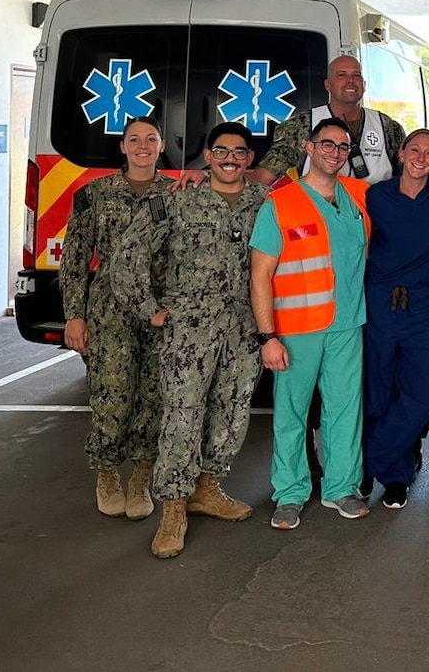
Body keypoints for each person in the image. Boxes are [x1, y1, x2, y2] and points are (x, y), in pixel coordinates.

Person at [114, 122, 269, 558]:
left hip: (243, 326)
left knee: (233, 410)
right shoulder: (179, 199)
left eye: (240, 153)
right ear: (207, 154)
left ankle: (208, 488)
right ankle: (173, 510)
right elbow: (128, 256)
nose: (230, 159)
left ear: (249, 159)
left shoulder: (264, 203)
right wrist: (151, 310)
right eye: (221, 151)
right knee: (182, 415)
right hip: (190, 329)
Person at [249, 117, 373, 531]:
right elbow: (260, 275)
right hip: (297, 329)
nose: (335, 152)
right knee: (291, 412)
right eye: (327, 144)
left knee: (344, 409)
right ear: (309, 146)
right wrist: (268, 336)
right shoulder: (280, 203)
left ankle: (341, 487)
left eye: (342, 146)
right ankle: (290, 493)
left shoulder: (359, 196)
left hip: (347, 323)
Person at [60, 116, 171, 521]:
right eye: (134, 139)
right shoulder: (95, 195)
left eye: (151, 139)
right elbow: (73, 261)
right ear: (122, 147)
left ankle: (142, 475)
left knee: (154, 393)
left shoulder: (176, 195)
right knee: (112, 391)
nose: (143, 145)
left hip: (160, 309)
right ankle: (106, 472)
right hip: (109, 309)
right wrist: (74, 316)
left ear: (161, 146)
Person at [360, 130, 429, 508]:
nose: (422, 157)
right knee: (378, 394)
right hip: (379, 303)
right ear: (401, 152)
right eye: (415, 150)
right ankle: (397, 476)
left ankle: (366, 461)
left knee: (424, 392)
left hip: (424, 306)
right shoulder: (377, 195)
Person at [255, 54, 407, 185]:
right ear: (328, 85)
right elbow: (264, 177)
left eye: (356, 75)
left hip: (373, 214)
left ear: (364, 85)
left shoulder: (387, 127)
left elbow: (409, 176)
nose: (350, 81)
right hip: (322, 213)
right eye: (342, 75)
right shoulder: (300, 126)